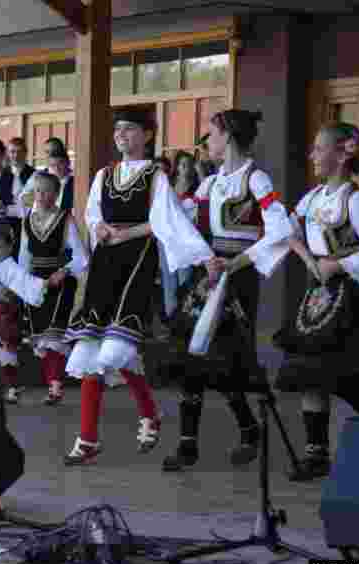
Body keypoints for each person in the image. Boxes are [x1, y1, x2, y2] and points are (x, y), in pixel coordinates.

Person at [65, 108, 213, 465]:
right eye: (118, 130)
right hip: (105, 262)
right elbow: (91, 213)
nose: (122, 135)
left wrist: (204, 257)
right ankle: (94, 435)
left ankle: (119, 425)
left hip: (136, 262)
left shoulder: (155, 176)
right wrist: (99, 228)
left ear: (147, 135)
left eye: (130, 129)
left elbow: (168, 222)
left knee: (115, 346)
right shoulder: (105, 174)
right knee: (93, 348)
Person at [162, 110, 296, 472]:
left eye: (212, 134)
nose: (208, 142)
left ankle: (249, 429)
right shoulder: (210, 184)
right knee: (191, 354)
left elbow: (280, 230)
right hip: (209, 274)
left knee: (225, 358)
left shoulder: (256, 180)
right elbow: (180, 219)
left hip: (238, 276)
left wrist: (235, 264)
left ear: (230, 137)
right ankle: (190, 444)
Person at [274, 122, 359, 480]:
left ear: (342, 154)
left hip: (350, 293)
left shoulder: (357, 200)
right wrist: (308, 259)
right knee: (311, 370)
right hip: (318, 294)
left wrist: (337, 264)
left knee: (342, 374)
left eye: (318, 148)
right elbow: (286, 230)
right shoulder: (312, 199)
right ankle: (316, 453)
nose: (312, 155)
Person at [21, 172, 87, 405]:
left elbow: (81, 257)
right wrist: (22, 284)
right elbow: (23, 256)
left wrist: (64, 271)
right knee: (41, 338)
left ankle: (55, 386)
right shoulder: (27, 219)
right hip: (36, 282)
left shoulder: (64, 219)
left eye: (47, 190)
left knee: (54, 335)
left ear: (56, 194)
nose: (41, 195)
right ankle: (53, 383)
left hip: (60, 281)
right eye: (38, 190)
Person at [0, 223, 47, 403]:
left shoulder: (13, 267)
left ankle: (13, 387)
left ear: (10, 246)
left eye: (0, 247)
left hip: (7, 313)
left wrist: (7, 293)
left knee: (8, 352)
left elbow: (19, 290)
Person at [158, 150, 202, 326]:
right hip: (167, 240)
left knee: (185, 281)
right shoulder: (168, 186)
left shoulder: (196, 187)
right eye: (183, 165)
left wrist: (200, 171)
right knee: (168, 281)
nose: (186, 169)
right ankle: (171, 321)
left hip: (185, 241)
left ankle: (185, 322)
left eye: (189, 165)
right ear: (177, 168)